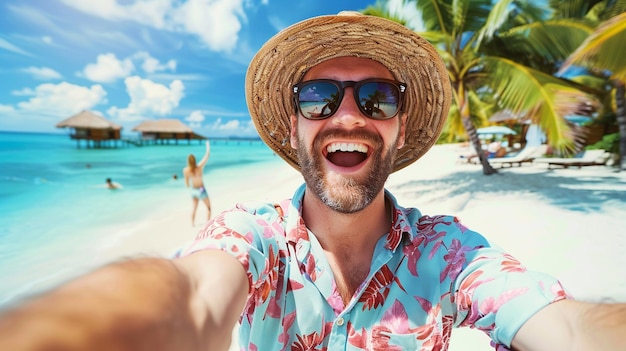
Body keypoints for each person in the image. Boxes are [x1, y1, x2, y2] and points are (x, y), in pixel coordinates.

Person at [0, 12, 624, 351]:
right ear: (293, 126)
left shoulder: (450, 255)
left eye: (377, 98)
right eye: (320, 96)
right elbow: (189, 296)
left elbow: (562, 324)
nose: (348, 116)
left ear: (401, 129)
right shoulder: (254, 237)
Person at [183, 140, 212, 226]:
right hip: (201, 189)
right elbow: (207, 155)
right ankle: (207, 224)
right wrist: (207, 145)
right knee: (209, 208)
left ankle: (192, 224)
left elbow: (187, 183)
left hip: (193, 191)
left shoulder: (186, 170)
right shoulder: (199, 167)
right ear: (195, 160)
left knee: (194, 208)